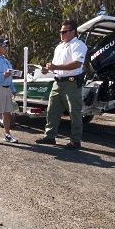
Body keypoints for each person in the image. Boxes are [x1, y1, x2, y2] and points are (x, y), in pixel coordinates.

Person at [35, 20, 88, 150]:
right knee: (52, 110)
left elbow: (77, 64)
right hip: (57, 82)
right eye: (60, 31)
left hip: (71, 83)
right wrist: (47, 69)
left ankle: (75, 141)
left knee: (74, 113)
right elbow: (56, 67)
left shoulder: (78, 45)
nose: (61, 34)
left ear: (73, 32)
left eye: (64, 31)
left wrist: (55, 66)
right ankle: (49, 136)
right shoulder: (59, 47)